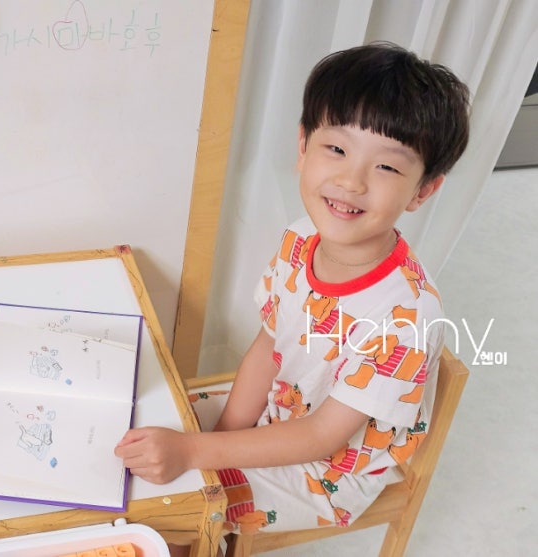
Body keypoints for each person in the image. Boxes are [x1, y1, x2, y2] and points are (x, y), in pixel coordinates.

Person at [115, 42, 470, 552]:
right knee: (140, 427)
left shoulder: (407, 316)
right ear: (303, 146)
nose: (351, 181)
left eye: (387, 168)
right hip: (281, 410)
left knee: (176, 505)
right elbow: (270, 345)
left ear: (423, 190)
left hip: (331, 472)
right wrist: (220, 435)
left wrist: (197, 452)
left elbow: (322, 436)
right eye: (337, 150)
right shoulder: (300, 238)